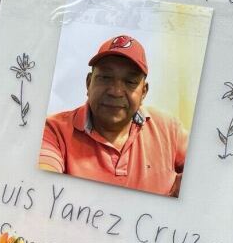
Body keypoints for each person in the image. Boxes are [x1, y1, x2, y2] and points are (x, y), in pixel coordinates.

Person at [38, 35, 188, 197]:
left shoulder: (169, 129)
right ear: (89, 83)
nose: (115, 92)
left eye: (130, 81)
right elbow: (42, 187)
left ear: (143, 92)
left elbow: (209, 172)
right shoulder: (53, 131)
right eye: (105, 77)